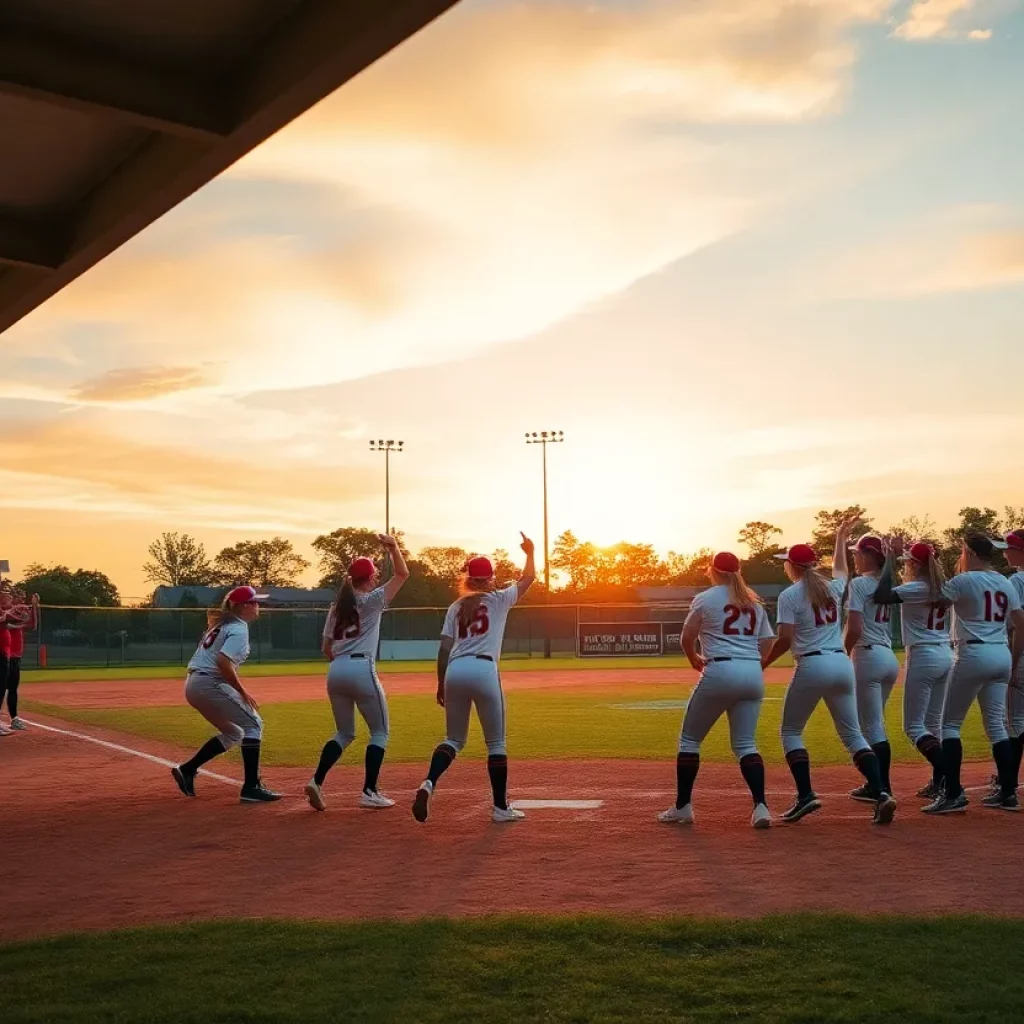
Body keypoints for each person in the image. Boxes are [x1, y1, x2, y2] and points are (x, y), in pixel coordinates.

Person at [762, 518, 896, 825]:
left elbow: (784, 638)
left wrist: (764, 663)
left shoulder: (790, 595)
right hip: (840, 662)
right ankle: (881, 791)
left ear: (791, 566)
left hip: (812, 663)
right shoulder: (833, 589)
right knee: (852, 734)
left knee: (791, 731)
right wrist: (839, 539)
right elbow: (841, 571)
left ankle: (806, 794)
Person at [880, 534, 1024, 814]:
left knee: (949, 726)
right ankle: (1008, 793)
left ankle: (953, 793)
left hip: (972, 652)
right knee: (997, 726)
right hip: (1001, 653)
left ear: (969, 552)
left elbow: (936, 599)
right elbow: (1020, 623)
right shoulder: (1005, 582)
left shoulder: (963, 581)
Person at [412, 534, 535, 824]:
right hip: (484, 670)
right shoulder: (500, 598)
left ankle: (428, 782)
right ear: (491, 578)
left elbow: (444, 649)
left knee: (453, 739)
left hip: (455, 669)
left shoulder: (456, 607)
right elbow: (529, 578)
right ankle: (501, 808)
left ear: (469, 579)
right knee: (496, 743)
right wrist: (530, 552)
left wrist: (441, 683)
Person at [658, 551, 774, 829]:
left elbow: (686, 637)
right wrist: (754, 665)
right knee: (746, 744)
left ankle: (683, 807)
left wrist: (694, 659)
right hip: (751, 672)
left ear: (714, 570)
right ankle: (761, 808)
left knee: (689, 740)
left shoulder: (706, 598)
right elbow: (768, 642)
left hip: (720, 669)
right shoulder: (754, 603)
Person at [305, 535, 410, 812]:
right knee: (380, 732)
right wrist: (393, 548)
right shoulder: (373, 600)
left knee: (344, 732)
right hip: (361, 666)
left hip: (336, 669)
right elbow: (403, 573)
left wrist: (341, 662)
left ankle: (316, 780)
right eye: (374, 575)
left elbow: (325, 647)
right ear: (370, 577)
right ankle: (369, 791)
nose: (376, 579)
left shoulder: (336, 607)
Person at [170, 586, 281, 803]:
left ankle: (188, 769)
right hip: (210, 683)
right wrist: (242, 690)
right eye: (254, 602)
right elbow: (223, 661)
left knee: (234, 732)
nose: (258, 606)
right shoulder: (238, 628)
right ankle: (251, 787)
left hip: (194, 684)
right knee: (254, 725)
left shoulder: (223, 625)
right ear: (243, 606)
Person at [871, 539, 952, 800]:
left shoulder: (918, 586)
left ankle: (950, 779)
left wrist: (889, 560)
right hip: (945, 653)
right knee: (933, 725)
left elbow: (881, 595)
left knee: (914, 727)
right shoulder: (944, 586)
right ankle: (940, 782)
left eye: (908, 562)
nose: (906, 566)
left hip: (925, 655)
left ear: (916, 564)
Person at [844, 535, 901, 802]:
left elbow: (854, 627)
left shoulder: (860, 584)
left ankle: (881, 787)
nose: (854, 557)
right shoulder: (887, 582)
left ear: (868, 555)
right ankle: (877, 785)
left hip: (867, 656)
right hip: (888, 656)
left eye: (857, 553)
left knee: (870, 726)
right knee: (875, 724)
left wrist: (843, 654)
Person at [1, 589, 39, 731]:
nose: (19, 599)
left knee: (12, 688)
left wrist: (34, 607)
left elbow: (32, 625)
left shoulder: (17, 612)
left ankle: (14, 718)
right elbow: (9, 623)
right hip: (5, 654)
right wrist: (20, 621)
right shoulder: (7, 612)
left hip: (15, 655)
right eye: (12, 597)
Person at [1006, 530, 1024, 790]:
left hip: (1022, 656)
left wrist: (1012, 662)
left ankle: (1007, 783)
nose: (1005, 553)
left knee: (1015, 720)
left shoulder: (1016, 581)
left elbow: (1020, 628)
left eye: (1009, 548)